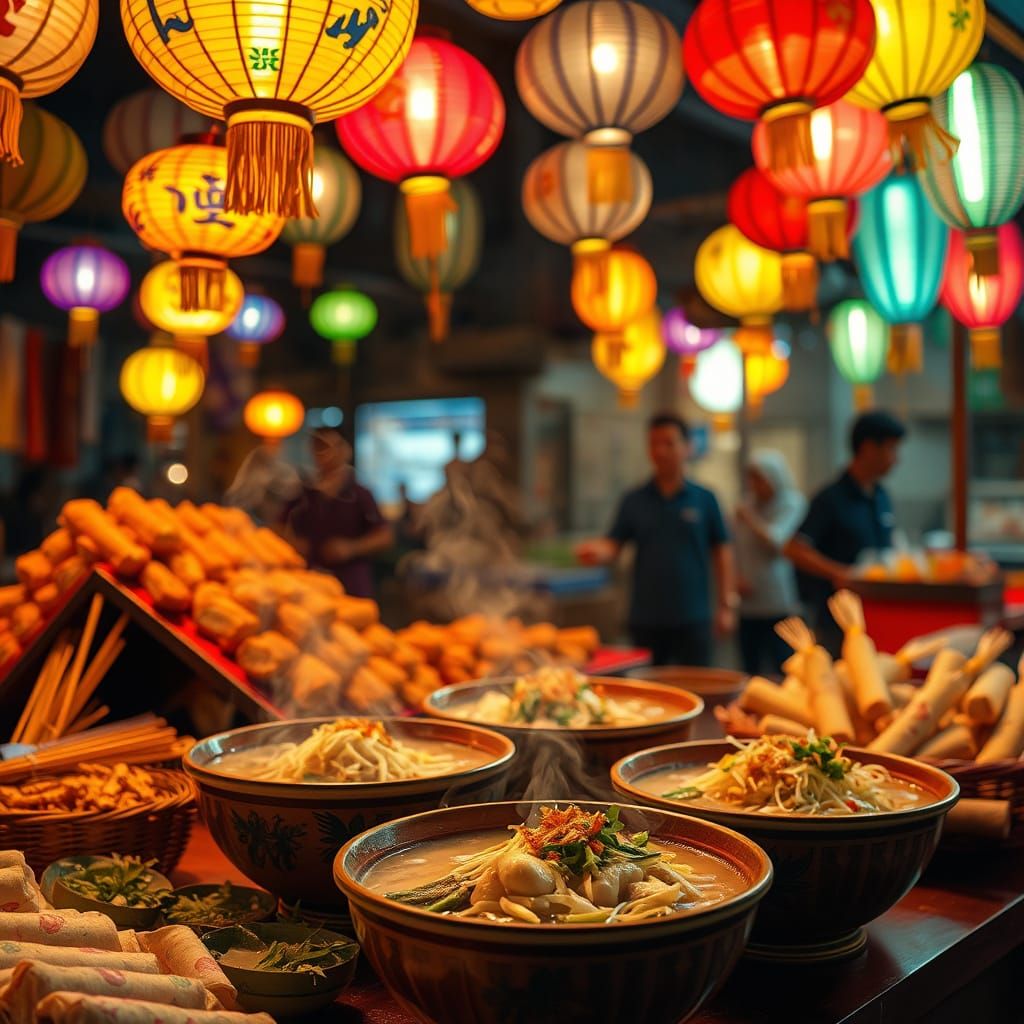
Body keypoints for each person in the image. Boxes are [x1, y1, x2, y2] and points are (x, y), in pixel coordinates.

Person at [577, 413, 737, 667]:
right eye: (654, 444)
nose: (660, 451)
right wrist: (597, 551)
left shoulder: (705, 499)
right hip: (646, 618)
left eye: (669, 443)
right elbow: (614, 544)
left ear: (687, 447)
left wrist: (726, 605)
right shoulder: (634, 499)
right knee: (648, 685)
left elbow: (722, 552)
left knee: (696, 684)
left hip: (693, 616)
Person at [785, 411, 905, 655]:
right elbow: (794, 548)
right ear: (868, 448)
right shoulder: (831, 498)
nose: (896, 459)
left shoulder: (881, 496)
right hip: (836, 619)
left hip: (877, 613)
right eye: (891, 449)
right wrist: (839, 572)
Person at [281, 427, 394, 598]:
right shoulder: (302, 492)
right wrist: (292, 543)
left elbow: (385, 536)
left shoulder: (360, 494)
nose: (323, 454)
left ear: (345, 451)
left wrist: (352, 548)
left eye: (329, 447)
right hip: (309, 581)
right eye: (318, 447)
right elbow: (277, 526)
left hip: (351, 582)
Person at [734, 450, 807, 676]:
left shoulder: (791, 503)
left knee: (784, 665)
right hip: (748, 600)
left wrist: (750, 520)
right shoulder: (748, 505)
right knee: (750, 668)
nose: (755, 485)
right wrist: (736, 577)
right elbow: (734, 546)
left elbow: (776, 541)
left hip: (779, 600)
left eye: (760, 478)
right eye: (752, 479)